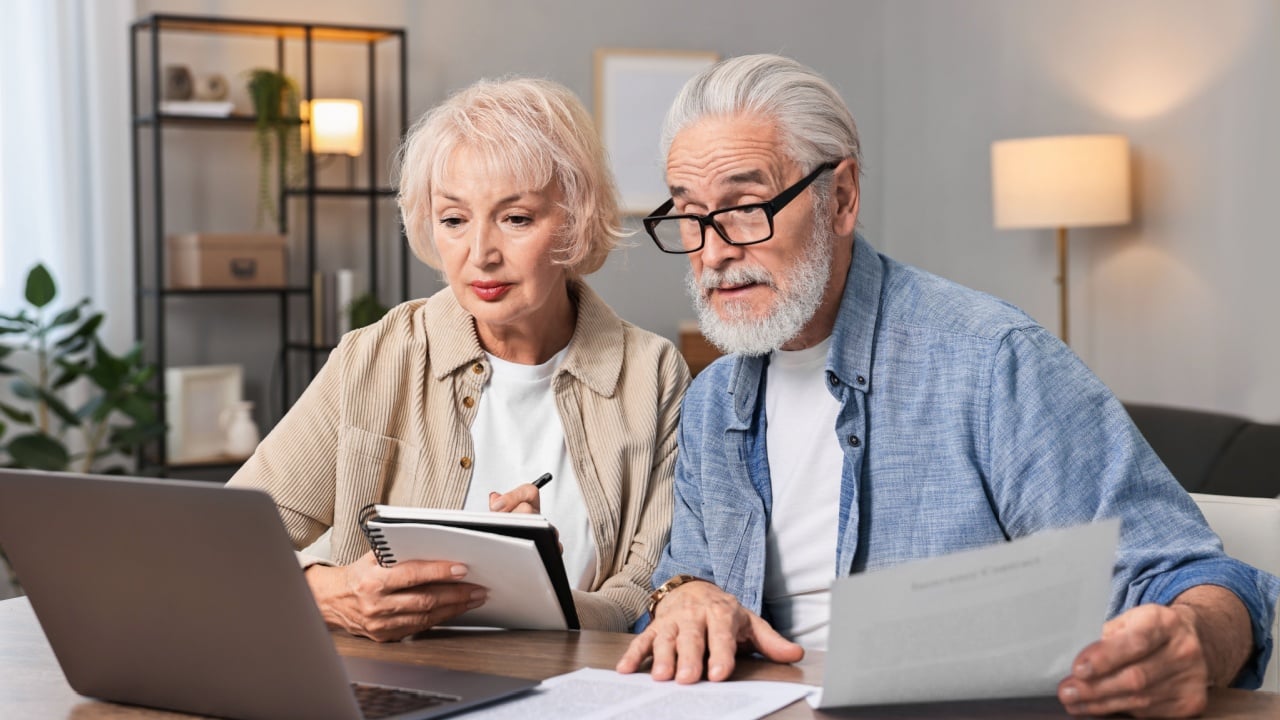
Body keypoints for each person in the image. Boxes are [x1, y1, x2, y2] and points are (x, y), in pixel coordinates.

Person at [615, 54, 1279, 718]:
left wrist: (1195, 637)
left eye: (744, 208)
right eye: (691, 217)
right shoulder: (711, 402)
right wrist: (683, 594)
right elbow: (685, 585)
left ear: (840, 199)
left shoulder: (991, 364)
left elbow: (1195, 581)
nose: (713, 252)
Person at [229, 77, 689, 639]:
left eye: (516, 218)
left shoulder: (653, 374)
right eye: (453, 220)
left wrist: (539, 595)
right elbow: (230, 540)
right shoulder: (375, 359)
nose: (480, 255)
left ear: (574, 221)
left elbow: (649, 586)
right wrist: (327, 593)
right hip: (394, 686)